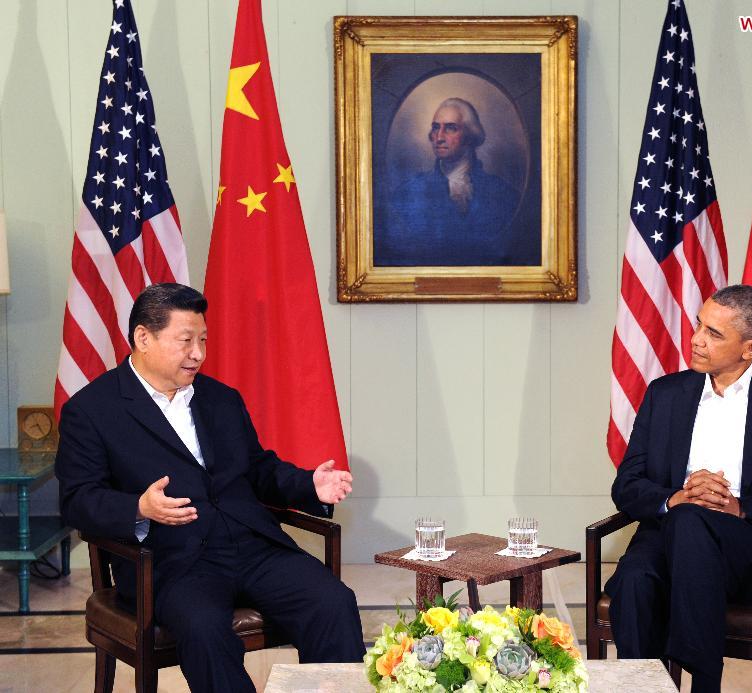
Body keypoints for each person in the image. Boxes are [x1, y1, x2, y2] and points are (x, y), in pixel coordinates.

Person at [56, 283, 364, 692]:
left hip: (253, 547)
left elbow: (256, 469)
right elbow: (77, 500)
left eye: (202, 340)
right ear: (143, 338)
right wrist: (138, 507)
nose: (198, 353)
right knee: (204, 630)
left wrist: (309, 483)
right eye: (186, 341)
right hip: (172, 561)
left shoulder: (221, 398)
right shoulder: (92, 410)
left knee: (333, 603)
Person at [605, 285, 752, 693]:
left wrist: (739, 507)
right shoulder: (666, 394)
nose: (696, 338)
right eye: (699, 324)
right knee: (636, 580)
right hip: (669, 534)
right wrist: (676, 497)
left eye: (714, 333)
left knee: (689, 524)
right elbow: (626, 484)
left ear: (751, 348)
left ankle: (704, 683)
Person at [375, 97, 537, 267]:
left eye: (450, 128)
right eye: (436, 128)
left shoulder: (504, 194)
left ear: (470, 136)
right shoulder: (407, 194)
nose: (439, 137)